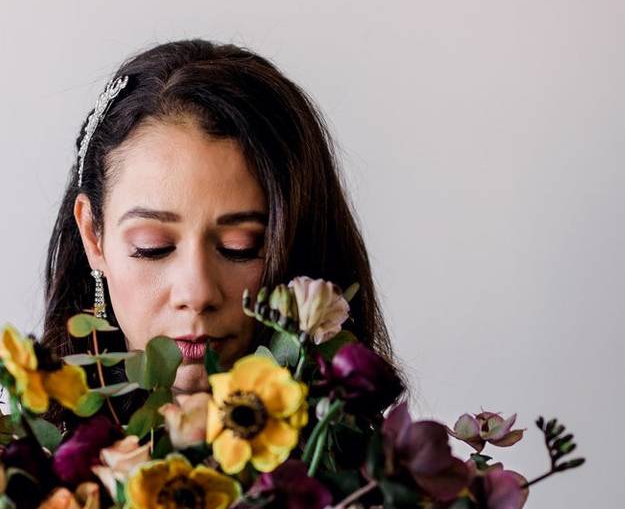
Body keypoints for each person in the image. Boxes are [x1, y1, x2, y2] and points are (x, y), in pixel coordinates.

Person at [40, 38, 397, 421]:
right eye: (153, 246)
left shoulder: (373, 477)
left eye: (239, 246)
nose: (197, 294)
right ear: (94, 235)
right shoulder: (24, 473)